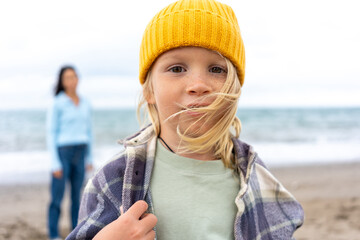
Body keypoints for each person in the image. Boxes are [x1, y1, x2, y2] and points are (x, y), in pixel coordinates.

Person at [66, 0, 304, 239]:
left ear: (236, 87)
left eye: (217, 69)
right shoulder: (113, 179)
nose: (198, 85)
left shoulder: (256, 178)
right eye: (177, 69)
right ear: (149, 91)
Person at [47, 66, 93, 240]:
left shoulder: (85, 102)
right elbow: (51, 132)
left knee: (78, 198)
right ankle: (53, 235)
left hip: (81, 152)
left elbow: (89, 132)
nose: (71, 80)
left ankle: (75, 233)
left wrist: (89, 157)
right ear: (62, 81)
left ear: (78, 79)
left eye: (74, 76)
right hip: (62, 152)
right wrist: (54, 162)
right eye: (67, 77)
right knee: (57, 198)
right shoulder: (57, 103)